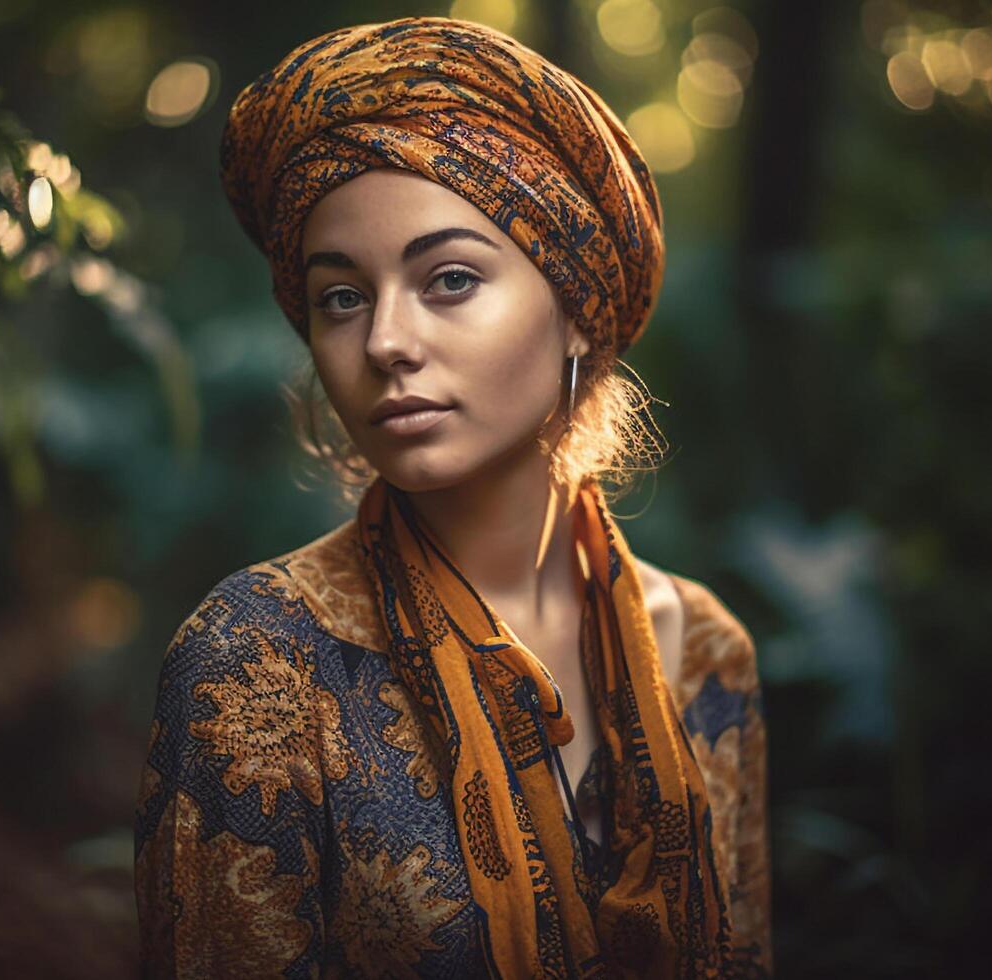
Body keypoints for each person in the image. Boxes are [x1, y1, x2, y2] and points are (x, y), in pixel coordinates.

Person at [135, 16, 770, 978]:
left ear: (575, 313)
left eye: (451, 279)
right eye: (340, 296)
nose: (385, 339)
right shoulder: (255, 662)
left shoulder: (709, 655)